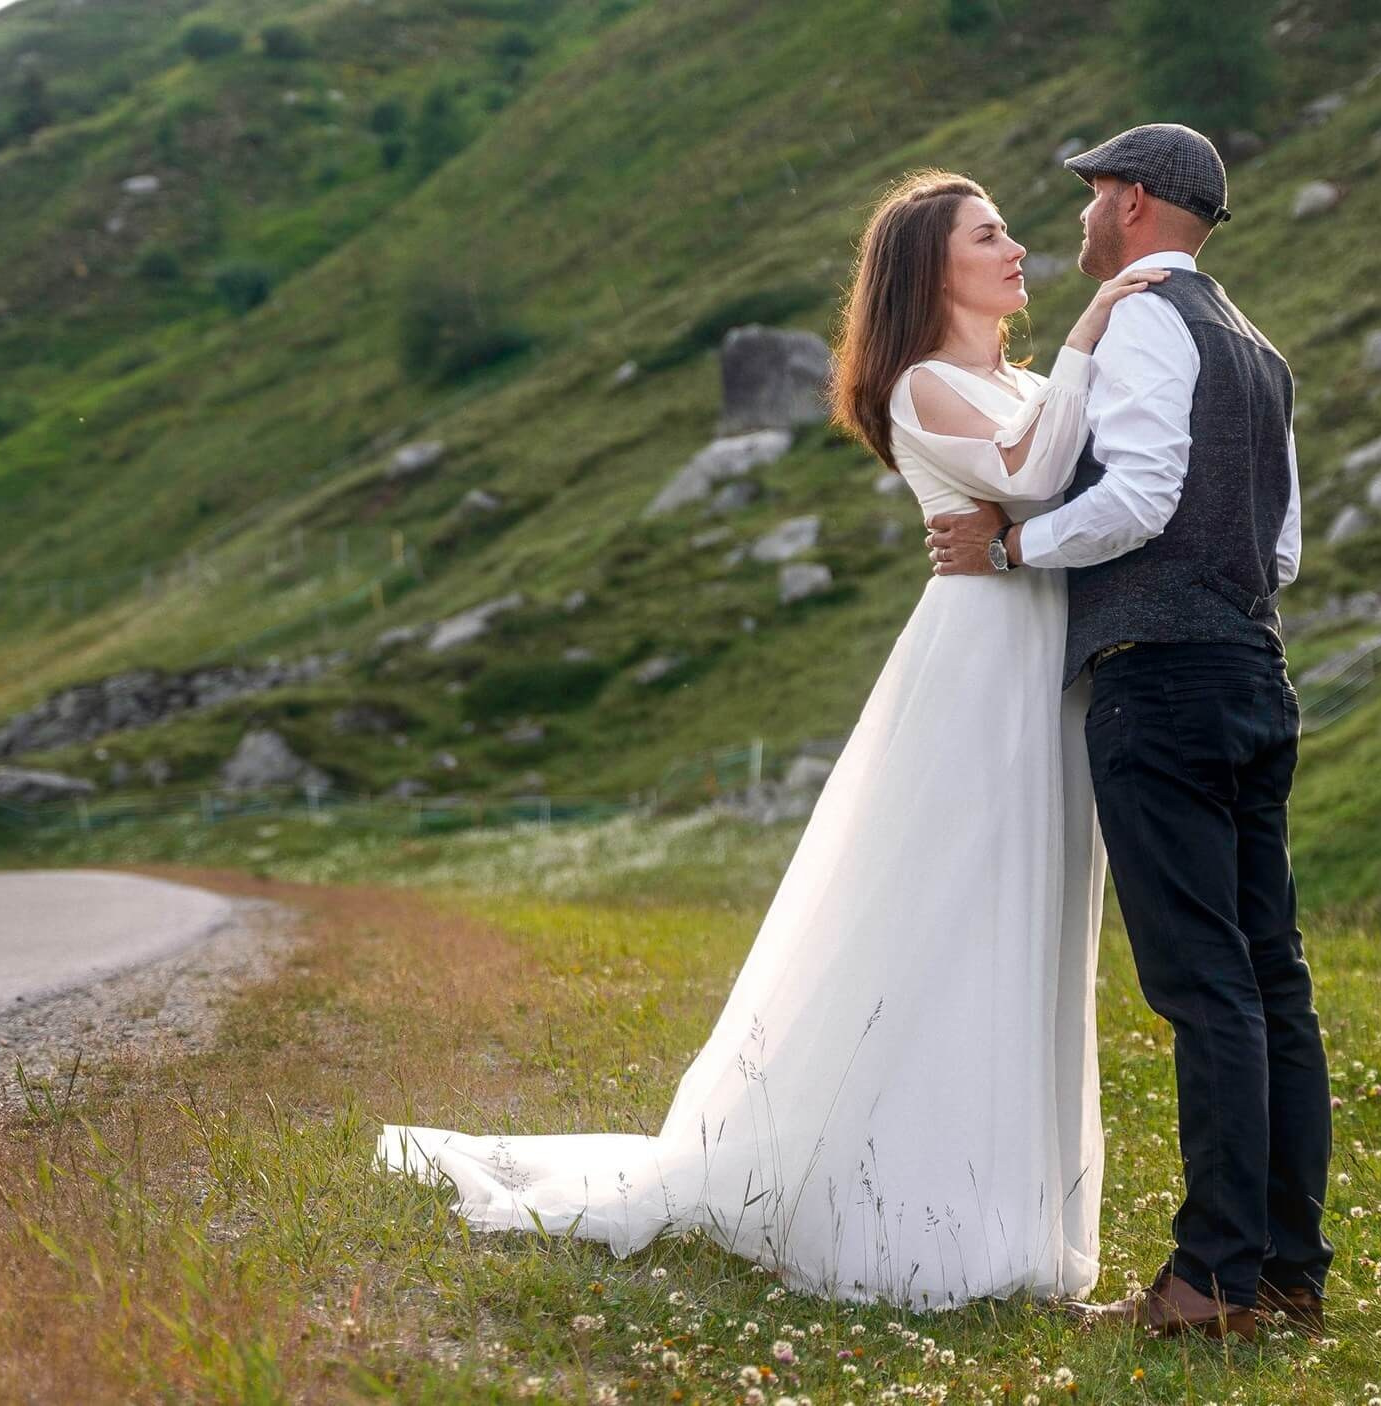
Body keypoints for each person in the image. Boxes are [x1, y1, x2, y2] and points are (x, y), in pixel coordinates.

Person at [373, 169, 1164, 1312]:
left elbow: (1087, 489)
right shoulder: (920, 384)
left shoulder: (1028, 383)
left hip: (1051, 667)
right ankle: (906, 1216)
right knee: (952, 912)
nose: (1016, 249)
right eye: (988, 234)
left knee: (1033, 917)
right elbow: (1032, 473)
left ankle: (1005, 1214)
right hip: (981, 667)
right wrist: (1094, 329)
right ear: (928, 266)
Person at [926, 122, 1332, 1341]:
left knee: (1205, 983)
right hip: (1253, 670)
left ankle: (1207, 1279)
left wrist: (1014, 546)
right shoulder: (1257, 347)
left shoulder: (1146, 318)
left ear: (1138, 202)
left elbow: (1141, 496)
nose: (1082, 216)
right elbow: (1279, 549)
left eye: (1095, 192)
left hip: (1161, 683)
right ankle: (1285, 1270)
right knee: (1270, 979)